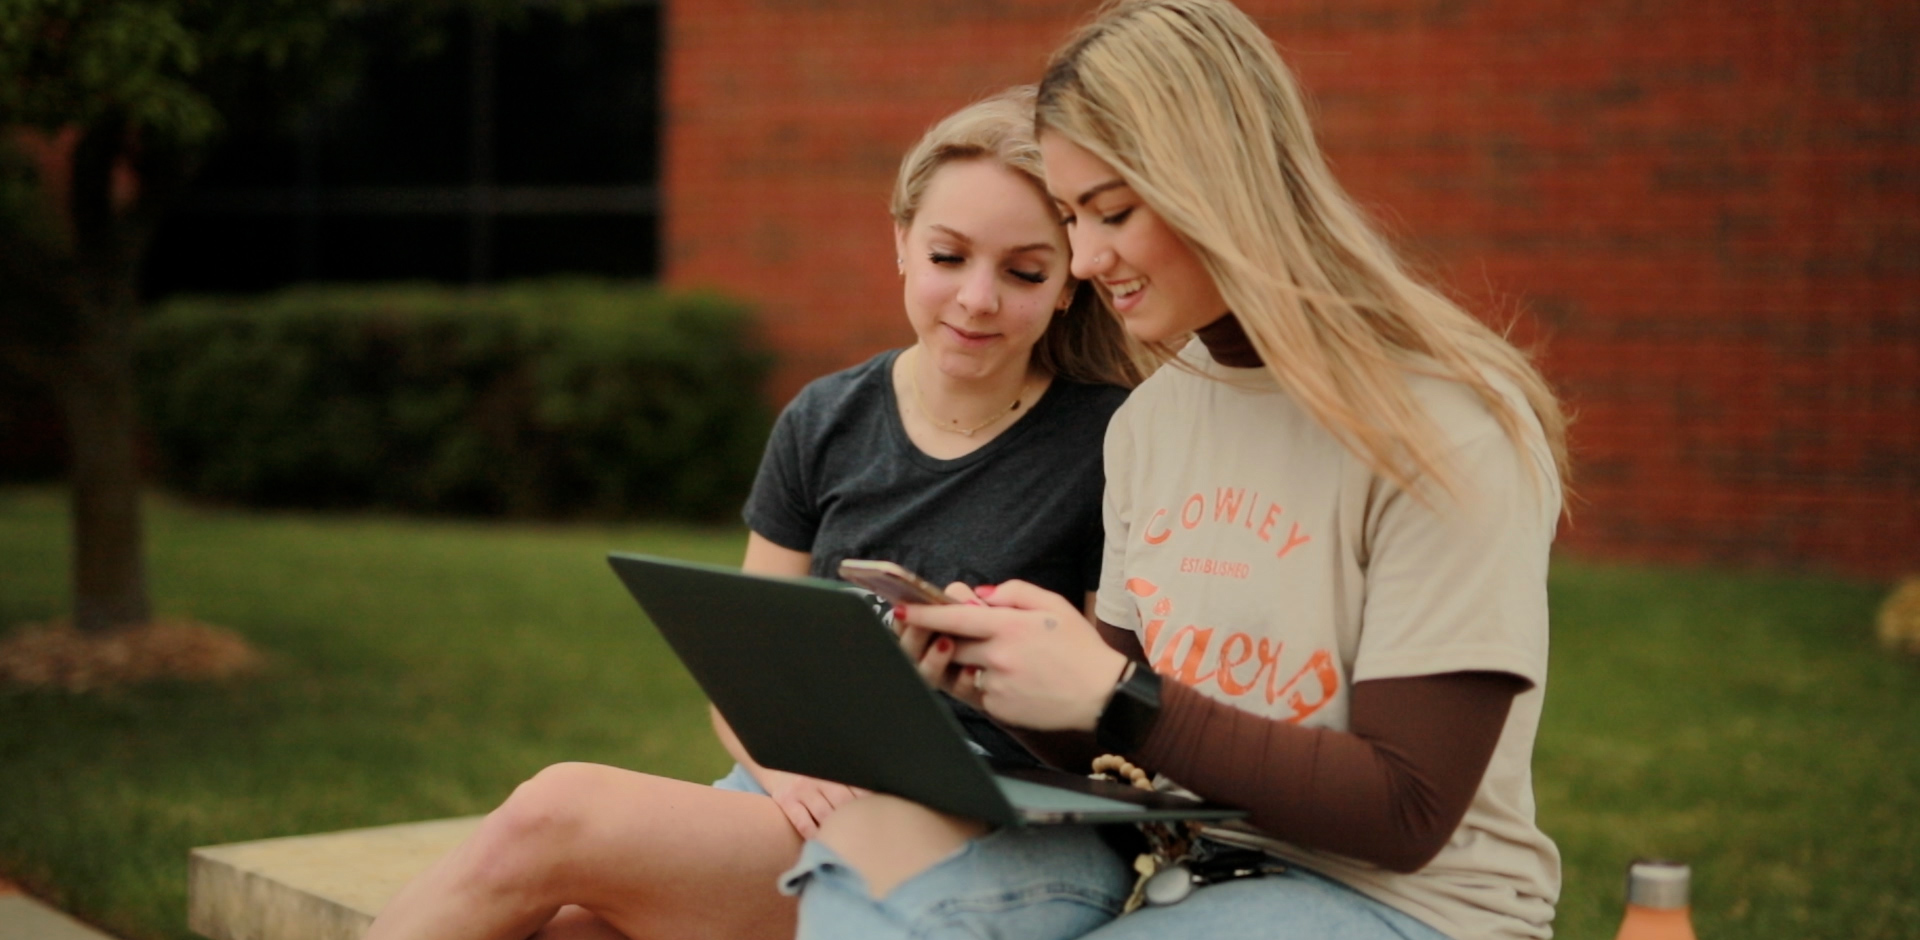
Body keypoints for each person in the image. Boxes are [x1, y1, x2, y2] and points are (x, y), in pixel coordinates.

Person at [780, 2, 1574, 939]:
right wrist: (1004, 676)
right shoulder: (1152, 420)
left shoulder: (1442, 420)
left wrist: (1116, 694)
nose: (1085, 258)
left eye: (1113, 211)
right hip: (1186, 871)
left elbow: (1406, 812)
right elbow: (1123, 745)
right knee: (855, 884)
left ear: (1218, 183)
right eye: (1073, 217)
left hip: (1407, 908)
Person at [359, 86, 1144, 940]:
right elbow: (740, 671)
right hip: (791, 788)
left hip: (979, 830)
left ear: (1069, 282)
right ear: (901, 245)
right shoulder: (825, 417)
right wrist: (775, 763)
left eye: (1024, 271)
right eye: (948, 257)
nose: (977, 299)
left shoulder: (1108, 443)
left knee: (554, 813)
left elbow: (1104, 722)